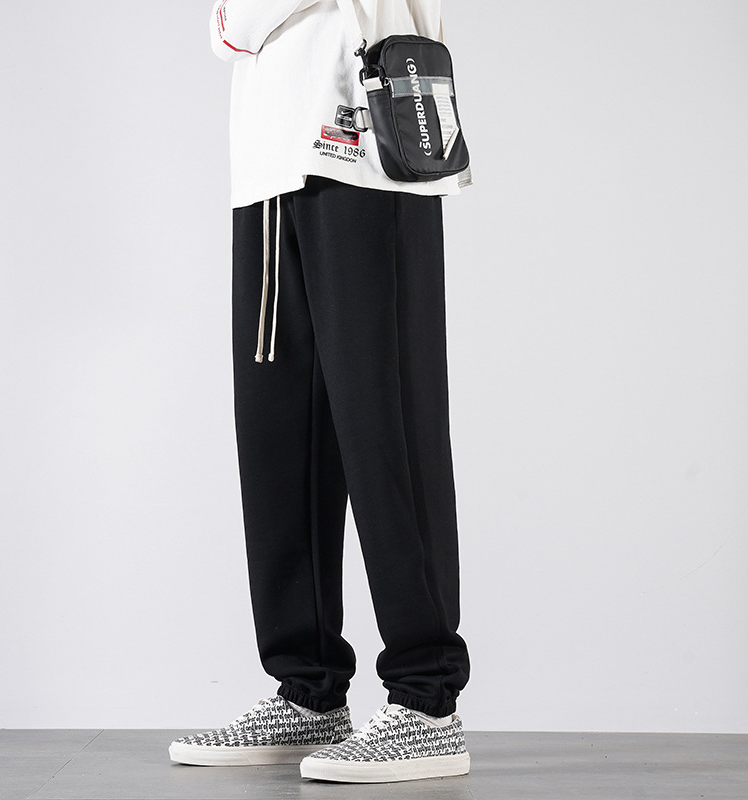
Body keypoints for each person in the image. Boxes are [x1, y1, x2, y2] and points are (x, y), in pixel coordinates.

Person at [169, 0, 471, 783]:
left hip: (362, 144)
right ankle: (307, 690)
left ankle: (428, 702)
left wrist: (236, 21)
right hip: (268, 162)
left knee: (386, 425)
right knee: (279, 429)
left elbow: (232, 25)